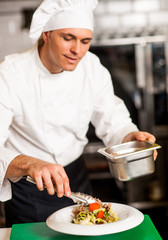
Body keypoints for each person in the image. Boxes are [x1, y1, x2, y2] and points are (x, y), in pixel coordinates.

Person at [0, 0, 157, 227]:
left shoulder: (92, 67)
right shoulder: (9, 74)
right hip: (28, 189)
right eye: (68, 38)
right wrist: (28, 164)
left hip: (76, 179)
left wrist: (129, 138)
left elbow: (113, 119)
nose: (77, 50)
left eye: (85, 41)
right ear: (46, 34)